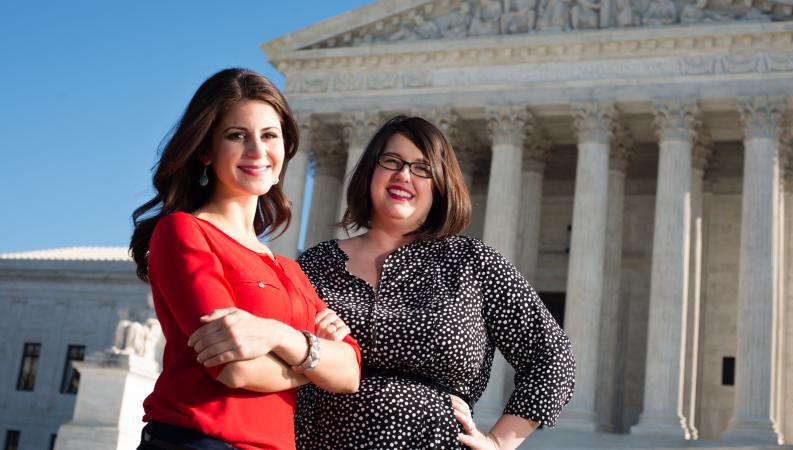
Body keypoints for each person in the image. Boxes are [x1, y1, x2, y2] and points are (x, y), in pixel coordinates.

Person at [191, 115, 575, 449]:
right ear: (370, 172)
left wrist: (500, 442)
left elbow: (553, 358)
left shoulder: (472, 263)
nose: (404, 175)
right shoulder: (314, 265)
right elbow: (268, 360)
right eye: (391, 161)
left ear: (440, 185)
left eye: (422, 168)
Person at [129, 68, 361, 450]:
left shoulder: (289, 269)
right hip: (196, 441)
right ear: (206, 150)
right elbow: (234, 368)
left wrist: (276, 336)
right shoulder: (183, 231)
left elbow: (350, 373)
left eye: (269, 135)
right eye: (237, 135)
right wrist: (314, 363)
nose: (257, 150)